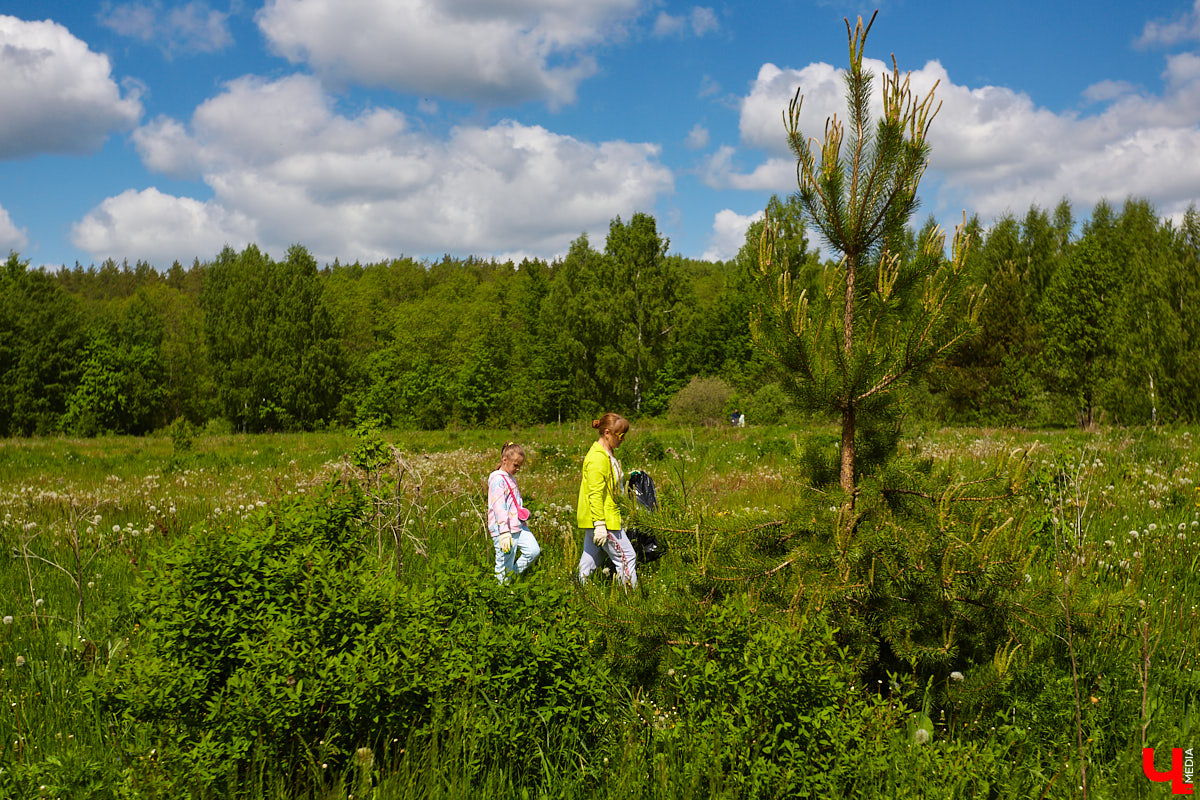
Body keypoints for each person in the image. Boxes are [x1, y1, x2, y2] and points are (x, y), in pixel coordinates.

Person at [576, 413, 637, 587]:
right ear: (607, 433)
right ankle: (631, 601)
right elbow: (594, 493)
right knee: (627, 558)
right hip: (603, 519)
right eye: (620, 435)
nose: (623, 439)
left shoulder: (607, 453)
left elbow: (611, 484)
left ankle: (579, 593)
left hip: (602, 517)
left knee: (589, 561)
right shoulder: (597, 458)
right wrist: (600, 524)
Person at [486, 442, 541, 583]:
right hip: (503, 530)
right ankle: (502, 593)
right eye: (515, 465)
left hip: (517, 525)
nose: (518, 469)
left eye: (519, 466)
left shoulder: (510, 477)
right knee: (504, 564)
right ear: (505, 460)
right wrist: (504, 532)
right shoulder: (498, 479)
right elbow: (499, 507)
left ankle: (512, 576)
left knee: (533, 550)